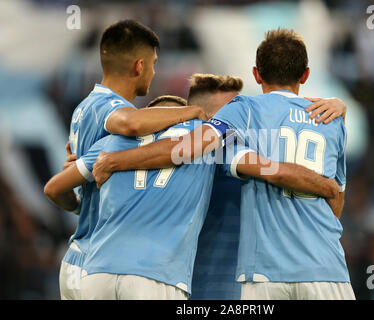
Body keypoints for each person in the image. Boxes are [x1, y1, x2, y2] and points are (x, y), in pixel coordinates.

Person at [93, 29, 354, 300]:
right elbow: (335, 203)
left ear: (256, 74)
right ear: (305, 75)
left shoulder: (244, 111)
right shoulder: (333, 119)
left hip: (264, 274)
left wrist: (114, 160)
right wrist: (320, 184)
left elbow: (187, 148)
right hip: (326, 266)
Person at [44, 99, 340, 300]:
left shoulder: (109, 143)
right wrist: (326, 185)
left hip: (97, 272)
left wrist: (83, 204)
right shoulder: (208, 144)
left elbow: (54, 188)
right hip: (157, 277)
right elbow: (272, 170)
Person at [53, 19, 207, 300]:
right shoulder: (110, 107)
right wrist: (192, 111)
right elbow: (130, 124)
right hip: (98, 255)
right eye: (153, 63)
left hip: (82, 259)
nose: (154, 71)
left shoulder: (83, 108)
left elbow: (57, 187)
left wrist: (79, 206)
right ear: (139, 66)